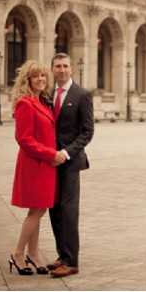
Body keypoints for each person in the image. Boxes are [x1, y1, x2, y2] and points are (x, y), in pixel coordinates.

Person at [9, 59, 63, 276]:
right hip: (35, 164)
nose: (41, 79)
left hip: (45, 164)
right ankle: (18, 253)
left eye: (43, 76)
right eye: (36, 76)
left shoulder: (42, 102)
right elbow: (24, 139)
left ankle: (33, 253)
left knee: (37, 210)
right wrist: (51, 154)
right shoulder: (25, 103)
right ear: (27, 80)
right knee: (38, 210)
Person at [48, 52, 94, 279]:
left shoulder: (82, 94)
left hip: (70, 161)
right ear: (52, 69)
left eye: (66, 66)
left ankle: (72, 261)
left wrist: (65, 153)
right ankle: (62, 255)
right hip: (50, 161)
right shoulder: (48, 95)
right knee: (54, 209)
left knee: (68, 211)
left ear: (71, 69)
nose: (62, 70)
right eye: (58, 66)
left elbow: (87, 132)